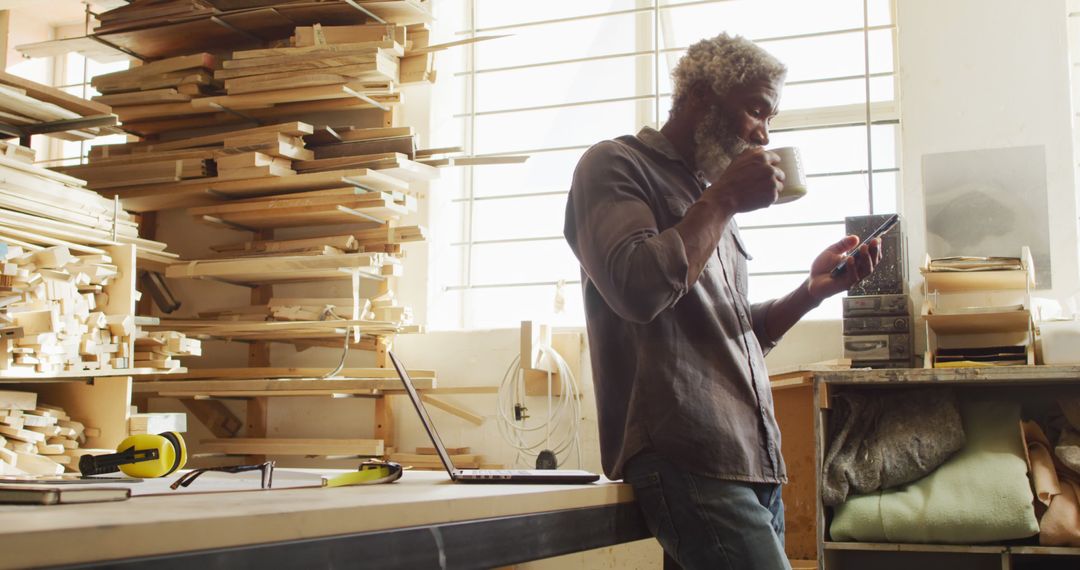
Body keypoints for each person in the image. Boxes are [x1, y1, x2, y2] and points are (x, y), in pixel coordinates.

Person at [563, 33, 882, 569]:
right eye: (756, 110)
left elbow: (730, 336)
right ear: (699, 96)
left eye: (770, 118)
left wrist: (810, 293)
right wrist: (725, 198)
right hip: (685, 453)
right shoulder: (614, 165)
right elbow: (636, 288)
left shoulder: (707, 202)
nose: (764, 133)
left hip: (751, 461)